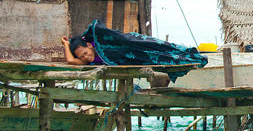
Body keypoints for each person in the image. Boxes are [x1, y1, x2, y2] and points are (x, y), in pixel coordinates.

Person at [61, 20, 208, 82]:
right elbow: (70, 60)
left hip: (132, 43)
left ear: (89, 45)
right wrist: (65, 44)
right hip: (132, 59)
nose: (86, 57)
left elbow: (111, 34)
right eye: (82, 56)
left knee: (156, 47)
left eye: (85, 52)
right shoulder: (87, 60)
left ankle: (189, 54)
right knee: (156, 59)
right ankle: (186, 60)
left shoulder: (100, 42)